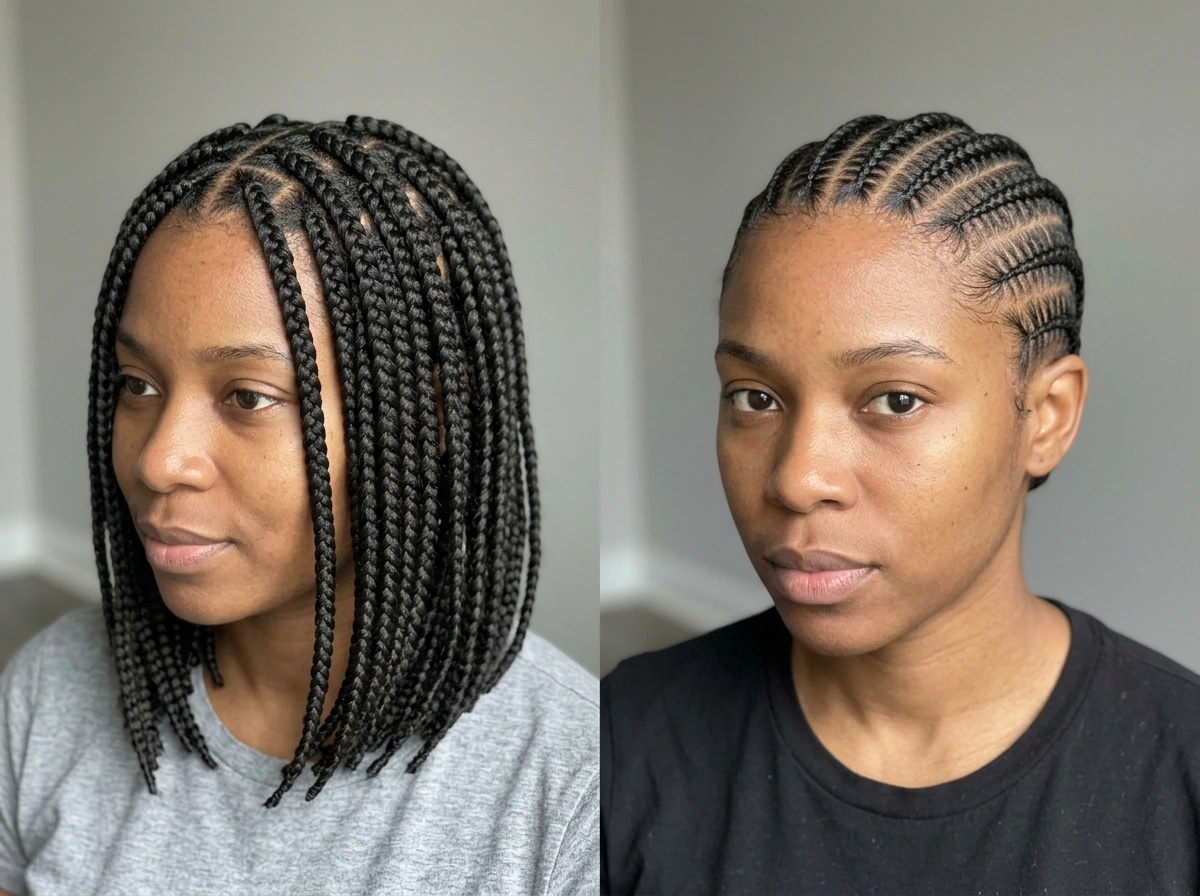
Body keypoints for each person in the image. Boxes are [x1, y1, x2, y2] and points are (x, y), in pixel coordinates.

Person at [600, 112, 1200, 894]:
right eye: (754, 396)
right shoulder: (620, 742)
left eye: (895, 399)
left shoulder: (1179, 782)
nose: (796, 478)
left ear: (1045, 416)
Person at [0, 114, 598, 896]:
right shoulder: (50, 689)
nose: (157, 460)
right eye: (137, 384)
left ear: (428, 418)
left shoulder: (574, 791)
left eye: (247, 396)